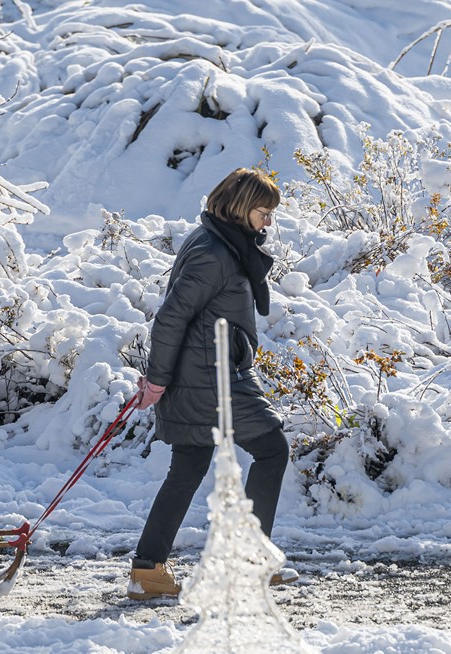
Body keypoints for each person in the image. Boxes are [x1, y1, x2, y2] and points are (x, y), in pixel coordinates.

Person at [128, 167, 295, 600]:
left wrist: (164, 380)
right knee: (273, 448)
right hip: (213, 378)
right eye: (264, 212)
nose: (268, 222)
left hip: (204, 373)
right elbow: (170, 318)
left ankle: (148, 571)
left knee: (188, 467)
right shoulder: (214, 253)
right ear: (242, 208)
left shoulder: (218, 241)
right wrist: (158, 381)